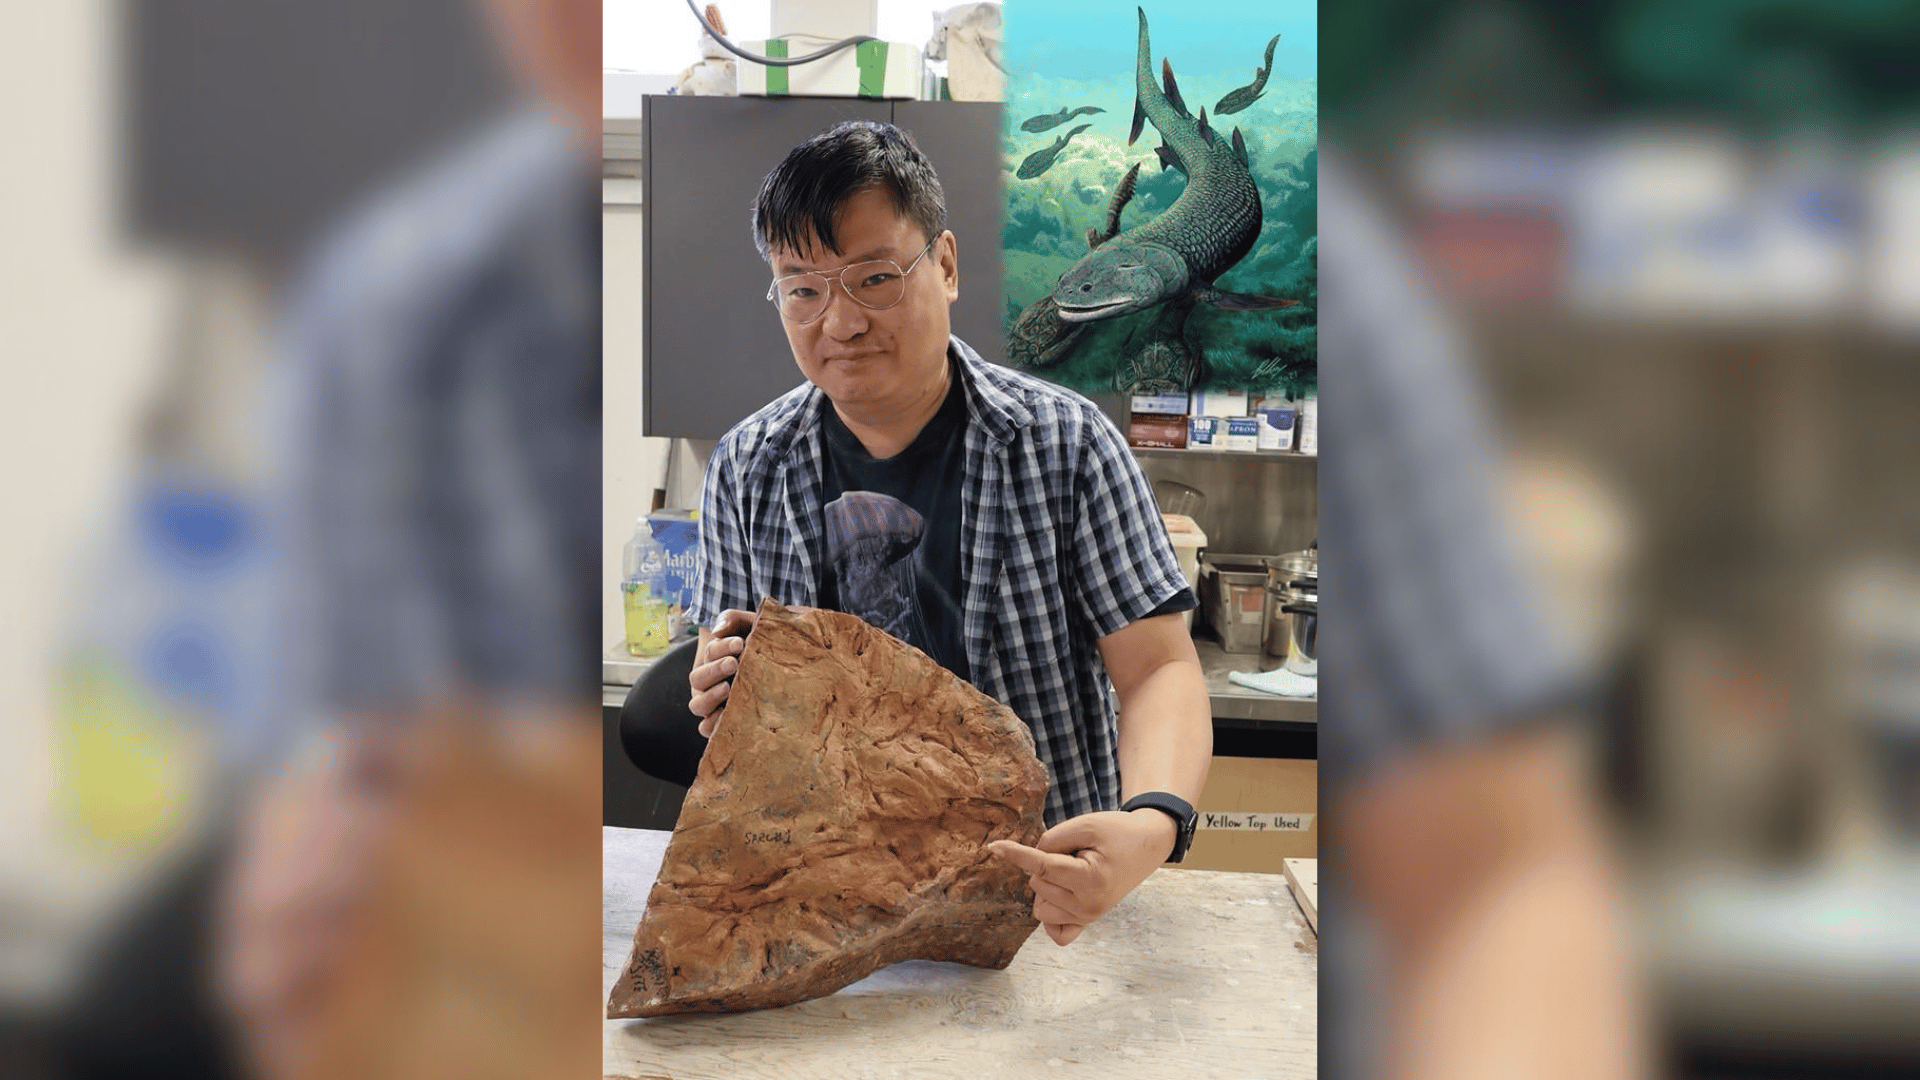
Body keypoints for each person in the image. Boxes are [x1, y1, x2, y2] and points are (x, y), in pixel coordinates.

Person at [681, 120, 1213, 947]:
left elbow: (1157, 669)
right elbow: (737, 701)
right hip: (836, 906)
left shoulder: (1064, 445)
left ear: (948, 265)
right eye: (803, 289)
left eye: (874, 278)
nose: (841, 322)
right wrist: (724, 692)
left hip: (1043, 903)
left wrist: (1152, 822)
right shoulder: (748, 465)